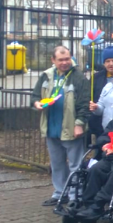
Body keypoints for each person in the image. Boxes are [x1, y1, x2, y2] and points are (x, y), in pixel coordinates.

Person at [32, 46, 90, 206]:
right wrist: (37, 103)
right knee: (57, 163)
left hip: (71, 128)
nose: (65, 62)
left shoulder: (79, 77)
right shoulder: (46, 76)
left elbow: (84, 103)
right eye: (61, 60)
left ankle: (75, 195)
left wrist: (79, 124)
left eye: (67, 59)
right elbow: (35, 96)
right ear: (53, 60)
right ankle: (59, 193)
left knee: (75, 164)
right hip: (51, 128)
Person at [89, 45, 113, 140]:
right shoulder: (96, 78)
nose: (111, 64)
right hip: (99, 125)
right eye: (107, 61)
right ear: (104, 63)